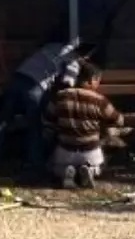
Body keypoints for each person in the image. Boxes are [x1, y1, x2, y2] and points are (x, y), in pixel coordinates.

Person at [0, 32, 86, 178]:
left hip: (15, 81)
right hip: (34, 88)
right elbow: (68, 84)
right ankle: (33, 168)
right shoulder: (73, 59)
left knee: (1, 124)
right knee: (35, 127)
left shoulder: (51, 46)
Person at [42, 60, 124, 189]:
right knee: (100, 164)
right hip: (90, 150)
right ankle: (90, 170)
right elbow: (119, 120)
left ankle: (66, 172)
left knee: (54, 166)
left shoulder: (61, 96)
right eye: (98, 80)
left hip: (65, 149)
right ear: (92, 80)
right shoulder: (100, 100)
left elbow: (48, 118)